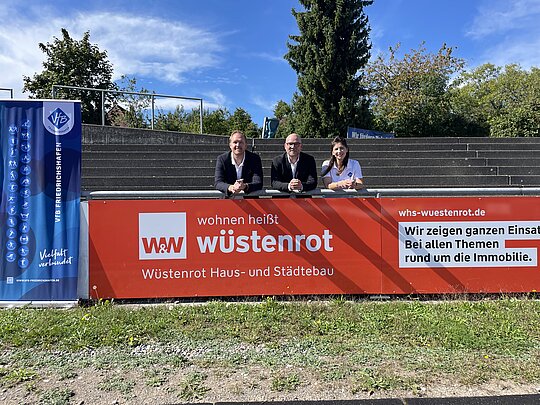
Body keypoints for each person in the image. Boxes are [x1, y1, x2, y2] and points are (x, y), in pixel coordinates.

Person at [214, 130, 263, 196]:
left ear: (245, 145)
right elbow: (218, 183)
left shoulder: (255, 159)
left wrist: (244, 186)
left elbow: (258, 182)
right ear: (230, 145)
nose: (238, 145)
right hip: (228, 198)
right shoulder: (222, 159)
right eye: (235, 142)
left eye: (241, 142)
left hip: (249, 198)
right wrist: (231, 187)